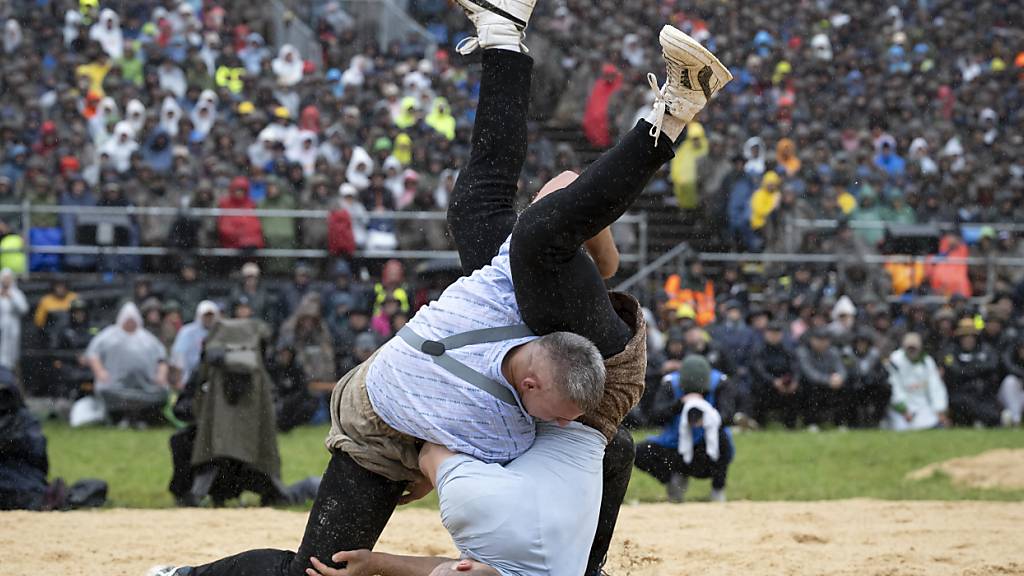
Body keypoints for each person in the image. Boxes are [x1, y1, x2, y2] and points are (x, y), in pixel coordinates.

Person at [165, 8, 730, 576]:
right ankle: (604, 79)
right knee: (520, 234)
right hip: (556, 366)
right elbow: (563, 190)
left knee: (493, 218)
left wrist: (389, 540)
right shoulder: (522, 404)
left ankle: (568, 65)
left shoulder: (492, 438)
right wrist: (600, 259)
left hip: (410, 414)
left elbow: (448, 546)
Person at [634, 355, 734, 503]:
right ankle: (674, 478)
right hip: (675, 444)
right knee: (637, 452)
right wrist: (679, 405)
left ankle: (718, 489)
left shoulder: (721, 383)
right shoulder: (670, 383)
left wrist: (707, 417)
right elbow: (654, 416)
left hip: (706, 447)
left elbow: (728, 416)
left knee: (724, 440)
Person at [84, 303, 169, 426]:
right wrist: (100, 372)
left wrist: (161, 375)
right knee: (106, 391)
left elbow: (162, 358)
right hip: (115, 386)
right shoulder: (108, 335)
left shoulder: (148, 338)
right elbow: (93, 353)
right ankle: (120, 418)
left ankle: (142, 418)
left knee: (161, 392)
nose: (130, 323)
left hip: (146, 386)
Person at [943, 318, 1001, 427]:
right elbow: (954, 370)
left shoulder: (986, 349)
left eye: (971, 336)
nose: (968, 340)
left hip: (982, 391)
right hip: (960, 391)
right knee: (963, 402)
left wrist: (969, 369)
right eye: (965, 336)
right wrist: (977, 369)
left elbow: (993, 364)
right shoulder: (951, 351)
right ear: (959, 338)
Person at [885, 332, 948, 431]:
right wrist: (904, 409)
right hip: (901, 405)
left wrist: (940, 409)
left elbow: (935, 387)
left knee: (934, 425)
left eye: (914, 348)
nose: (911, 351)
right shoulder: (896, 360)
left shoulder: (927, 362)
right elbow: (894, 386)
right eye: (909, 348)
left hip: (922, 404)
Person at [797, 327, 850, 429]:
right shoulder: (803, 351)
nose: (822, 342)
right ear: (812, 340)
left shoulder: (833, 351)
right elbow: (809, 373)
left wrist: (839, 378)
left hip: (831, 384)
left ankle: (840, 423)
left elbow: (841, 369)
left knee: (845, 388)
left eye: (825, 340)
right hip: (812, 384)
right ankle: (811, 423)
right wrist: (828, 380)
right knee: (811, 388)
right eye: (819, 339)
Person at [170, 301, 220, 390]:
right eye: (206, 316)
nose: (208, 319)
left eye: (211, 316)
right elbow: (179, 356)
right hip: (189, 378)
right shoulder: (187, 332)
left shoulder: (219, 333)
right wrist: (179, 380)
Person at [0, 269, 28, 371]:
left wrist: (11, 297)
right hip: (1, 327)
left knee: (12, 353)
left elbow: (24, 309)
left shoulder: (16, 293)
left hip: (13, 328)